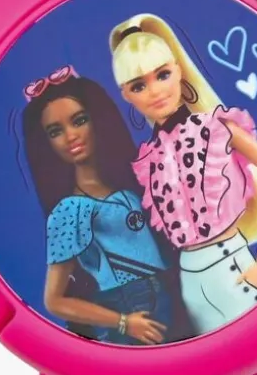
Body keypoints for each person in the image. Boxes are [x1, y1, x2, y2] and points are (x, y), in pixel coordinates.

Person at [110, 15, 257, 335]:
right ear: (126, 95)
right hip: (190, 285)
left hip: (234, 268)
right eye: (139, 85)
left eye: (163, 75)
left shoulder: (218, 128)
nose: (155, 91)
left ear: (179, 71)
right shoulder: (149, 157)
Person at [20, 68, 174, 344]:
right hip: (130, 307)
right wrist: (123, 322)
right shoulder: (70, 211)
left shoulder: (128, 185)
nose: (71, 136)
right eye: (55, 131)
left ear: (98, 120)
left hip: (164, 296)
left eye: (79, 121)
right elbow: (54, 300)